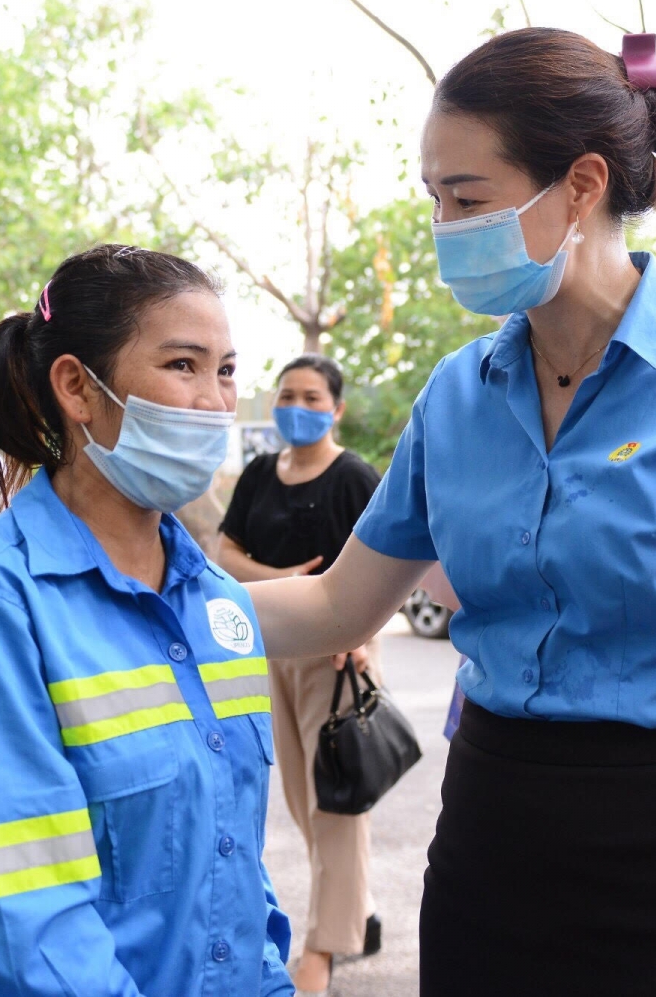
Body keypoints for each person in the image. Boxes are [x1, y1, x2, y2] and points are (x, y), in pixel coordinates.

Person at [246, 29, 656, 996]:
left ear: (578, 186)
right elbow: (334, 608)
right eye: (434, 199)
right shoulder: (456, 397)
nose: (444, 225)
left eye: (467, 197)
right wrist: (155, 599)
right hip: (490, 833)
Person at [0, 244, 293, 996]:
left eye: (225, 370)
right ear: (77, 386)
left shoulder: (219, 603)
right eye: (183, 365)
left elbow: (235, 874)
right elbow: (20, 936)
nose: (215, 402)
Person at [217, 354, 384, 994]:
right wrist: (289, 583)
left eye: (312, 397)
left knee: (334, 805)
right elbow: (225, 553)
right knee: (297, 800)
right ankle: (351, 913)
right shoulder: (261, 472)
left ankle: (323, 948)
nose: (297, 406)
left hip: (339, 656)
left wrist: (358, 631)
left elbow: (388, 564)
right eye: (287, 394)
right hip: (264, 649)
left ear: (336, 408)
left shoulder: (353, 478)